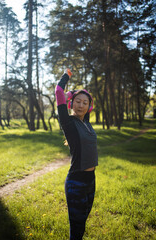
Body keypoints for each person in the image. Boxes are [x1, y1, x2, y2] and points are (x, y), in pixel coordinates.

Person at [55, 68, 98, 240]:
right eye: (77, 102)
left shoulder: (87, 123)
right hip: (76, 182)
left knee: (82, 224)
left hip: (91, 180)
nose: (81, 105)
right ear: (72, 104)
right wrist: (69, 80)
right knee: (77, 228)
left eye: (85, 102)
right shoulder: (69, 124)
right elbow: (59, 92)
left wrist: (82, 94)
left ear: (89, 107)